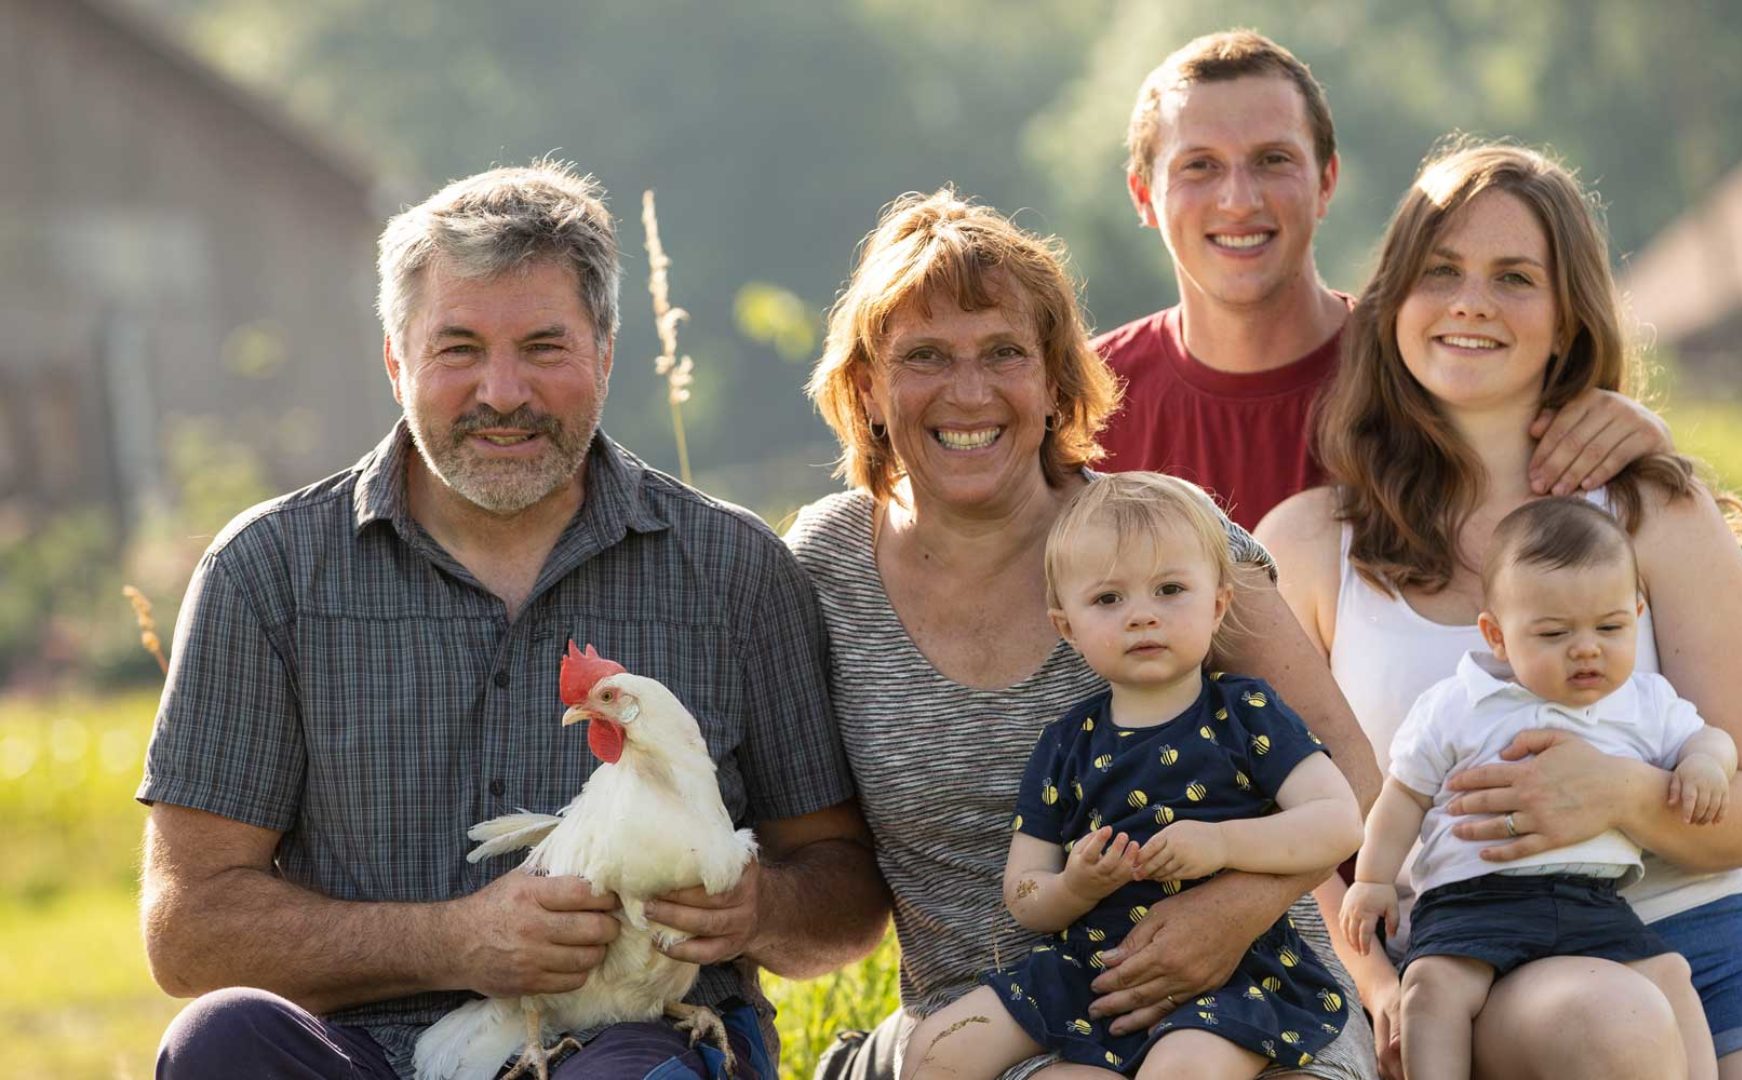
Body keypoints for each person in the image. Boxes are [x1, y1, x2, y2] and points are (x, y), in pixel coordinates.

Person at [137, 161, 891, 1079]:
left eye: (543, 346)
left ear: (606, 352)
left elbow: (845, 893)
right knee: (219, 1042)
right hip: (360, 1050)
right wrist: (452, 941)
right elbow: (188, 933)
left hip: (631, 1036)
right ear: (395, 357)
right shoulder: (267, 575)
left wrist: (759, 909)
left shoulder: (732, 570)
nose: (502, 392)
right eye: (457, 349)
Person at [1257, 141, 1742, 1080]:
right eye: (1440, 271)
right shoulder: (1307, 546)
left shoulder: (1658, 511)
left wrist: (1621, 792)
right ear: (1393, 303)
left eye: (1514, 277)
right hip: (1475, 950)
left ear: (1568, 319)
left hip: (1700, 927)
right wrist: (1372, 979)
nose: (1471, 302)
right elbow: (1297, 820)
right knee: (1609, 1025)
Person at [791, 188, 1383, 1080]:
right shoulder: (822, 566)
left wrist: (1231, 910)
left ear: (1057, 378)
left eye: (1004, 352)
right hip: (1003, 1022)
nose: (969, 391)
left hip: (1249, 999)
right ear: (867, 387)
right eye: (923, 357)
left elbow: (1351, 771)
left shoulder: (1163, 539)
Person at [1095, 29, 1669, 531]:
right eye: (1200, 165)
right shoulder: (1082, 400)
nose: (1240, 199)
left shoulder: (1429, 363)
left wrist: (1638, 432)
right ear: (1143, 196)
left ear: (1326, 181)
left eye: (1274, 160)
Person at [903, 472, 1363, 1078]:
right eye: (1109, 600)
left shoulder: (1246, 713)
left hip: (1234, 973)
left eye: (1170, 589)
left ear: (1218, 603)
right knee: (936, 1050)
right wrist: (1076, 887)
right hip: (1090, 970)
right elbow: (1025, 893)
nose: (1142, 617)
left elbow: (1340, 821)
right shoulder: (1067, 743)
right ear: (1066, 625)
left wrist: (1224, 843)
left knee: (1181, 1068)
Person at [1340, 497, 1733, 1080]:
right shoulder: (1458, 704)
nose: (1586, 648)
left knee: (1669, 974)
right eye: (1553, 632)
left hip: (1591, 898)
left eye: (1611, 626)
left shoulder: (1642, 703)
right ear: (1497, 636)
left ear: (1639, 614)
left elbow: (1711, 739)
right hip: (1474, 899)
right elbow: (1404, 797)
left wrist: (1704, 765)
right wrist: (1372, 879)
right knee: (1433, 986)